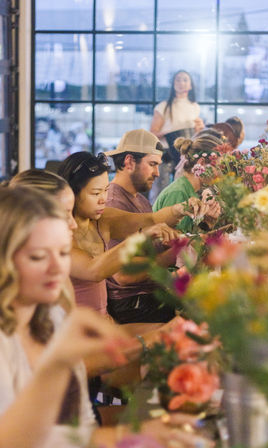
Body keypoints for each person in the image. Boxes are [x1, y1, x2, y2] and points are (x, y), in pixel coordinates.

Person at [0, 186, 214, 448]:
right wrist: (56, 366)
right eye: (38, 256)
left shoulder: (50, 314)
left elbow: (77, 428)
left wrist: (141, 434)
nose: (58, 268)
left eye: (63, 253)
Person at [58, 150, 202, 315]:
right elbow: (94, 270)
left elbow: (151, 220)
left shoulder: (103, 219)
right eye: (96, 193)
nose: (103, 198)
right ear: (72, 193)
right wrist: (140, 239)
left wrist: (181, 209)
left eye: (105, 189)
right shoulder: (62, 234)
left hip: (103, 320)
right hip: (78, 330)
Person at [105, 129, 180, 324]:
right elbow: (123, 275)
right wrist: (176, 252)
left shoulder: (139, 199)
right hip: (132, 305)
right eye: (152, 164)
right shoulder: (114, 203)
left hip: (148, 297)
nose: (157, 173)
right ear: (129, 161)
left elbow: (150, 250)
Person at [150, 70, 204, 202]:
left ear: (190, 85)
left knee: (183, 189)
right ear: (173, 84)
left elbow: (196, 135)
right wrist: (168, 133)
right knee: (160, 189)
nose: (181, 83)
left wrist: (199, 129)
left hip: (185, 156)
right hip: (166, 154)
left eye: (185, 80)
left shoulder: (195, 107)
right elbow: (152, 133)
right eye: (178, 79)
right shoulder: (163, 107)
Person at [153, 134, 222, 235]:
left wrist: (207, 223)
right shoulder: (178, 192)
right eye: (219, 167)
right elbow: (174, 244)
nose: (222, 174)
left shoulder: (191, 190)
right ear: (202, 163)